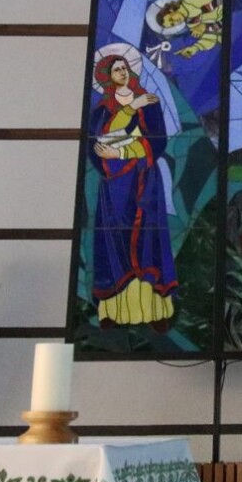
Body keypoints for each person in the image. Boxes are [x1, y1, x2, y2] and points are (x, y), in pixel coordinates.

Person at [88, 54, 176, 330]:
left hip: (144, 179)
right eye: (116, 69)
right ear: (107, 76)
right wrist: (129, 110)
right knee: (114, 241)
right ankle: (112, 311)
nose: (122, 72)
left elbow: (158, 141)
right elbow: (97, 144)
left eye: (124, 67)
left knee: (149, 240)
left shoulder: (149, 102)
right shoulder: (102, 110)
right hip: (114, 186)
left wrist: (122, 152)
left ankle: (155, 311)